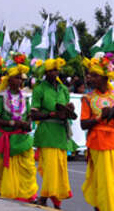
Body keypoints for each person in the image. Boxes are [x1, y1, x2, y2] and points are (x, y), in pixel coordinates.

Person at [80, 53, 114, 211]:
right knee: (103, 181)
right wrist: (100, 118)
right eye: (90, 75)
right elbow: (83, 124)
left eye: (95, 76)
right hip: (98, 144)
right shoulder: (88, 98)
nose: (90, 78)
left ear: (105, 78)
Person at [28, 58, 75, 208]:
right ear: (45, 73)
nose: (54, 73)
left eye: (56, 70)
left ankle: (55, 199)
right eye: (51, 71)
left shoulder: (63, 89)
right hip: (47, 132)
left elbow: (66, 109)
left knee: (59, 169)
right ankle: (44, 197)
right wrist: (51, 114)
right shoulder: (39, 89)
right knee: (50, 169)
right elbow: (33, 114)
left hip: (61, 132)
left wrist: (69, 109)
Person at [0, 58, 38, 202]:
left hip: (22, 138)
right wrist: (13, 123)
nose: (20, 81)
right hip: (6, 139)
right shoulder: (1, 97)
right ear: (9, 80)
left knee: (28, 168)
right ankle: (8, 191)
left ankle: (28, 194)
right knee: (3, 168)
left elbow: (28, 116)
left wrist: (27, 123)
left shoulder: (25, 97)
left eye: (21, 78)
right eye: (17, 78)